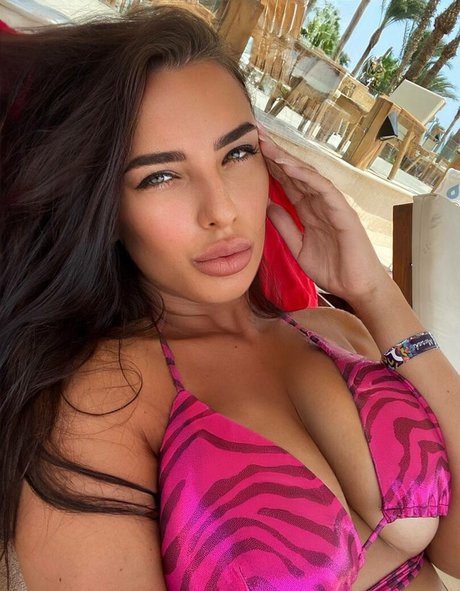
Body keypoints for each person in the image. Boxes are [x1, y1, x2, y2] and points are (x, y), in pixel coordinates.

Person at [0, 5, 458, 591]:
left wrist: (374, 291)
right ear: (106, 209)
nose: (220, 211)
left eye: (237, 153)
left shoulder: (340, 332)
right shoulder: (103, 403)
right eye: (160, 176)